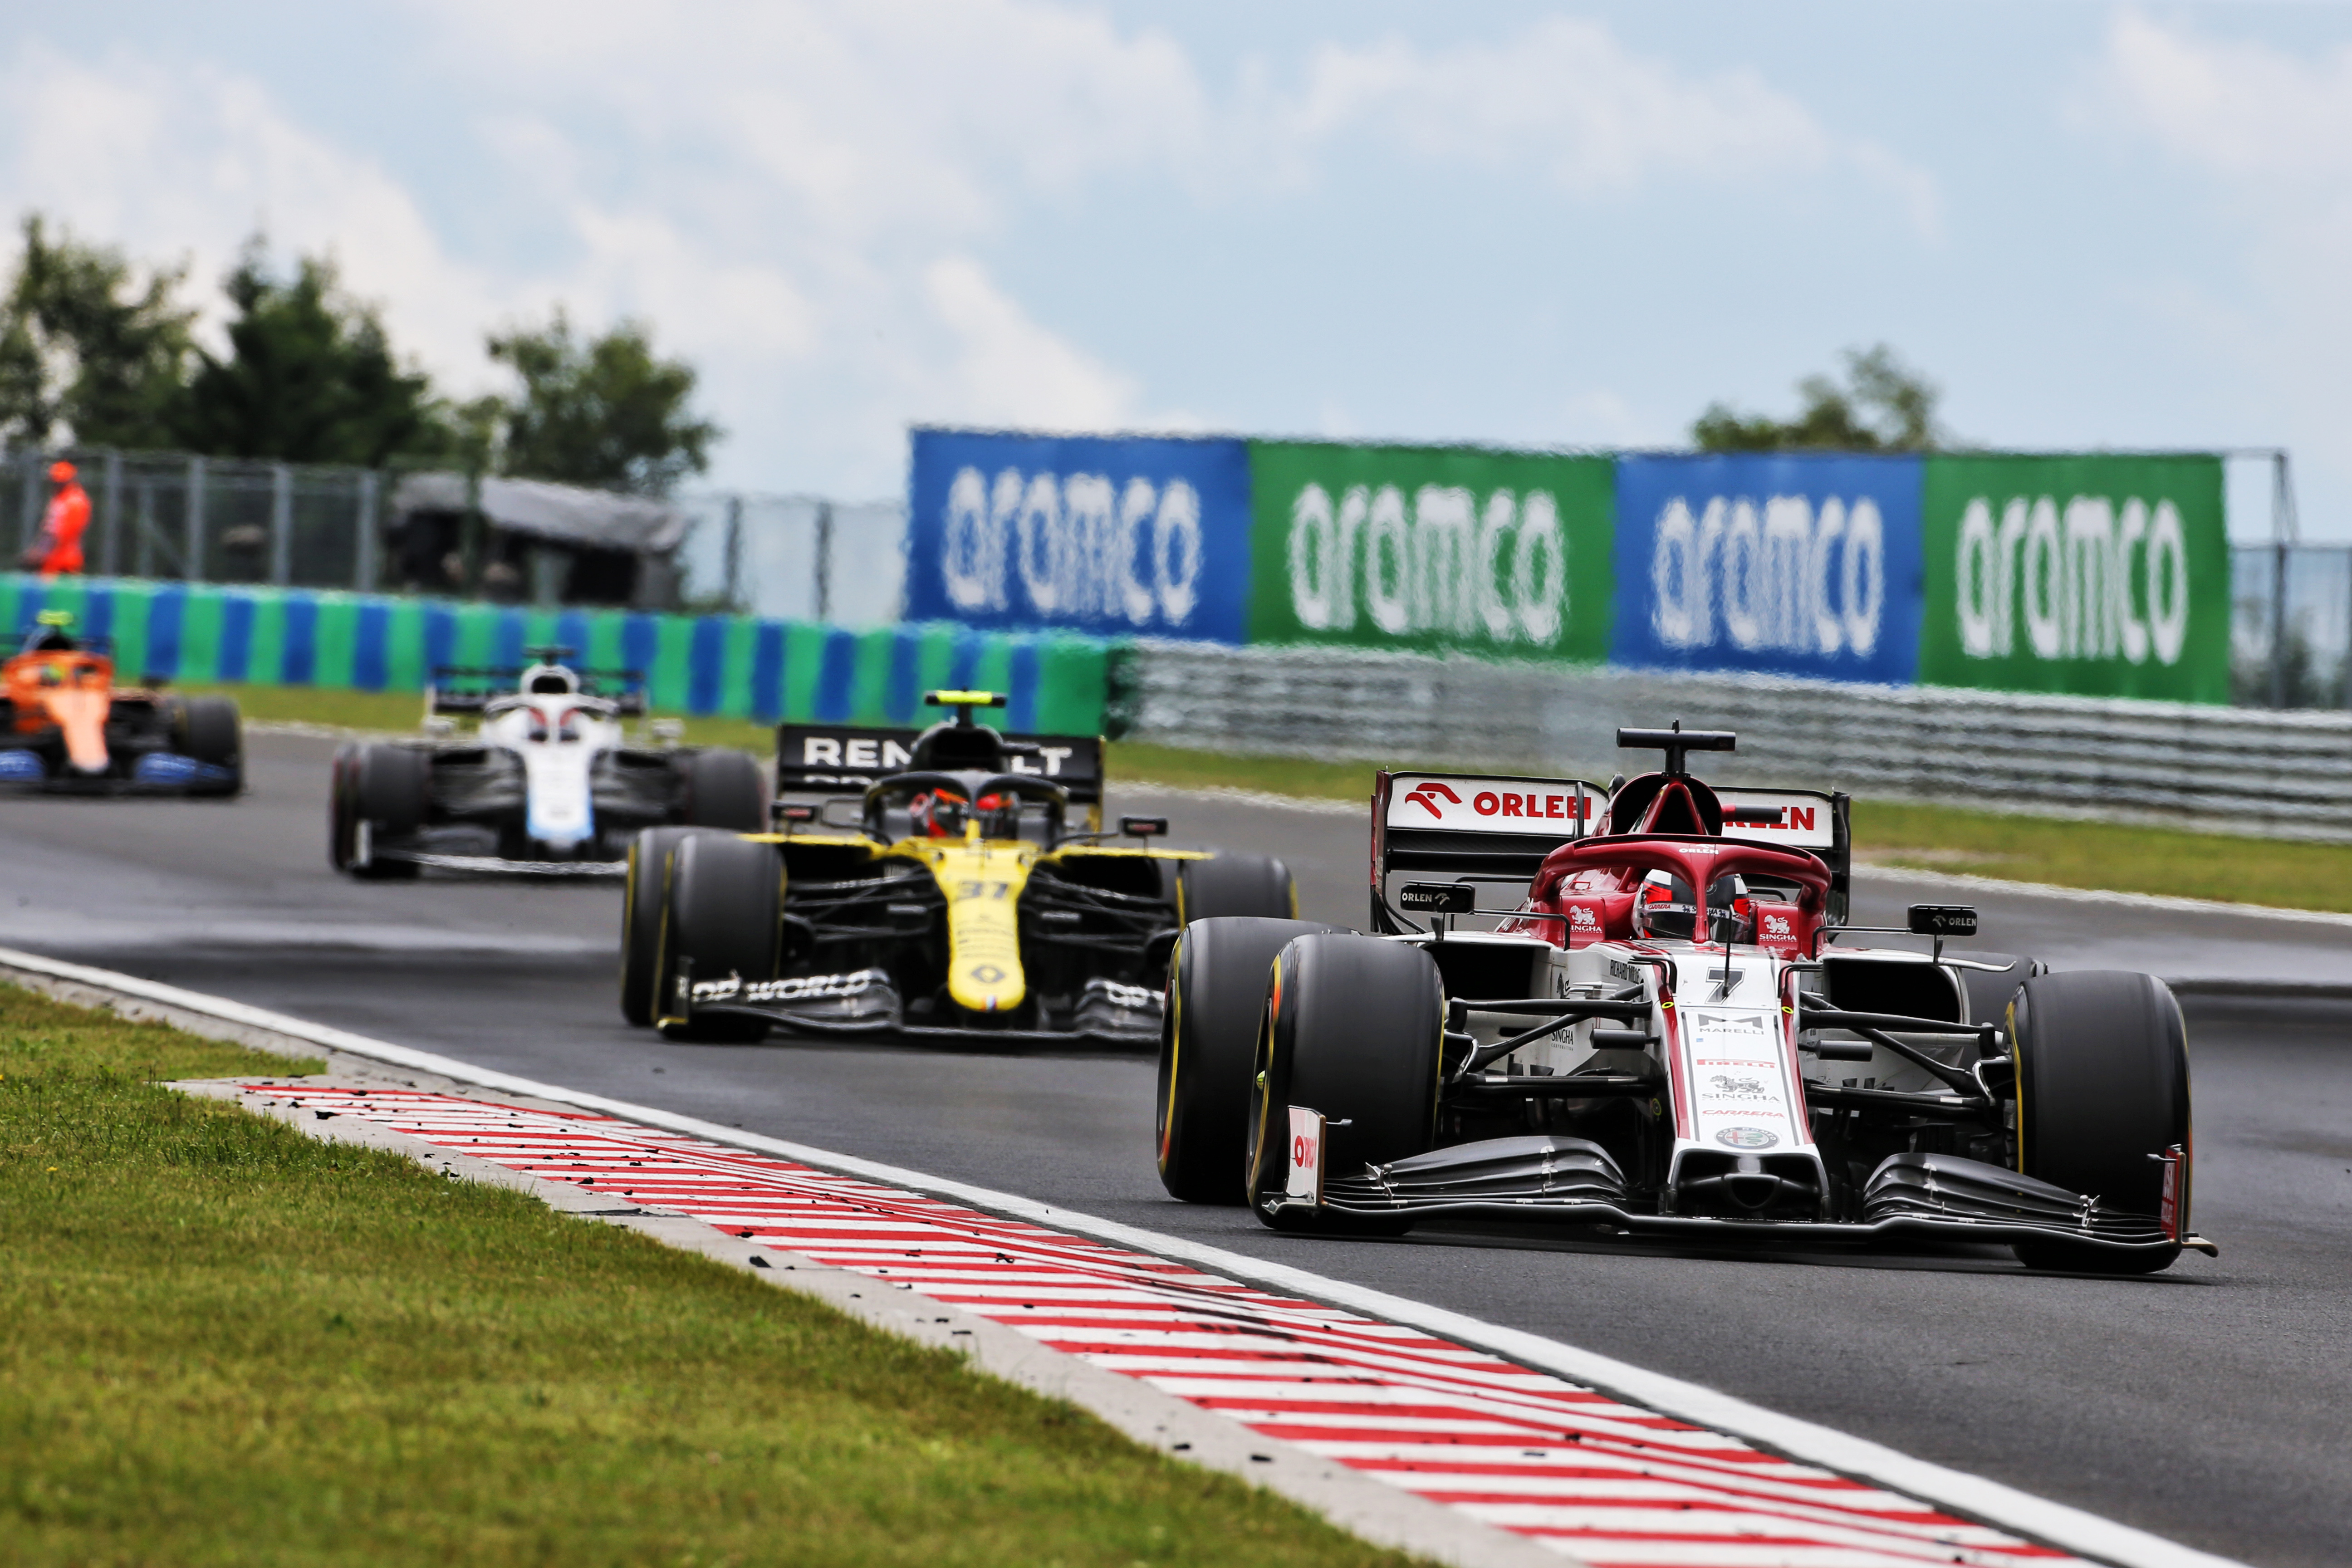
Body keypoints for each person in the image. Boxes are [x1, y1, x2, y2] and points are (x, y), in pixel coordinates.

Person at [20, 461, 91, 578]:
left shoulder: (74, 501)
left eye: (61, 482)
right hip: (55, 559)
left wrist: (40, 553)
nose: (57, 484)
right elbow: (50, 529)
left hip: (64, 561)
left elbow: (63, 533)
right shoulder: (60, 499)